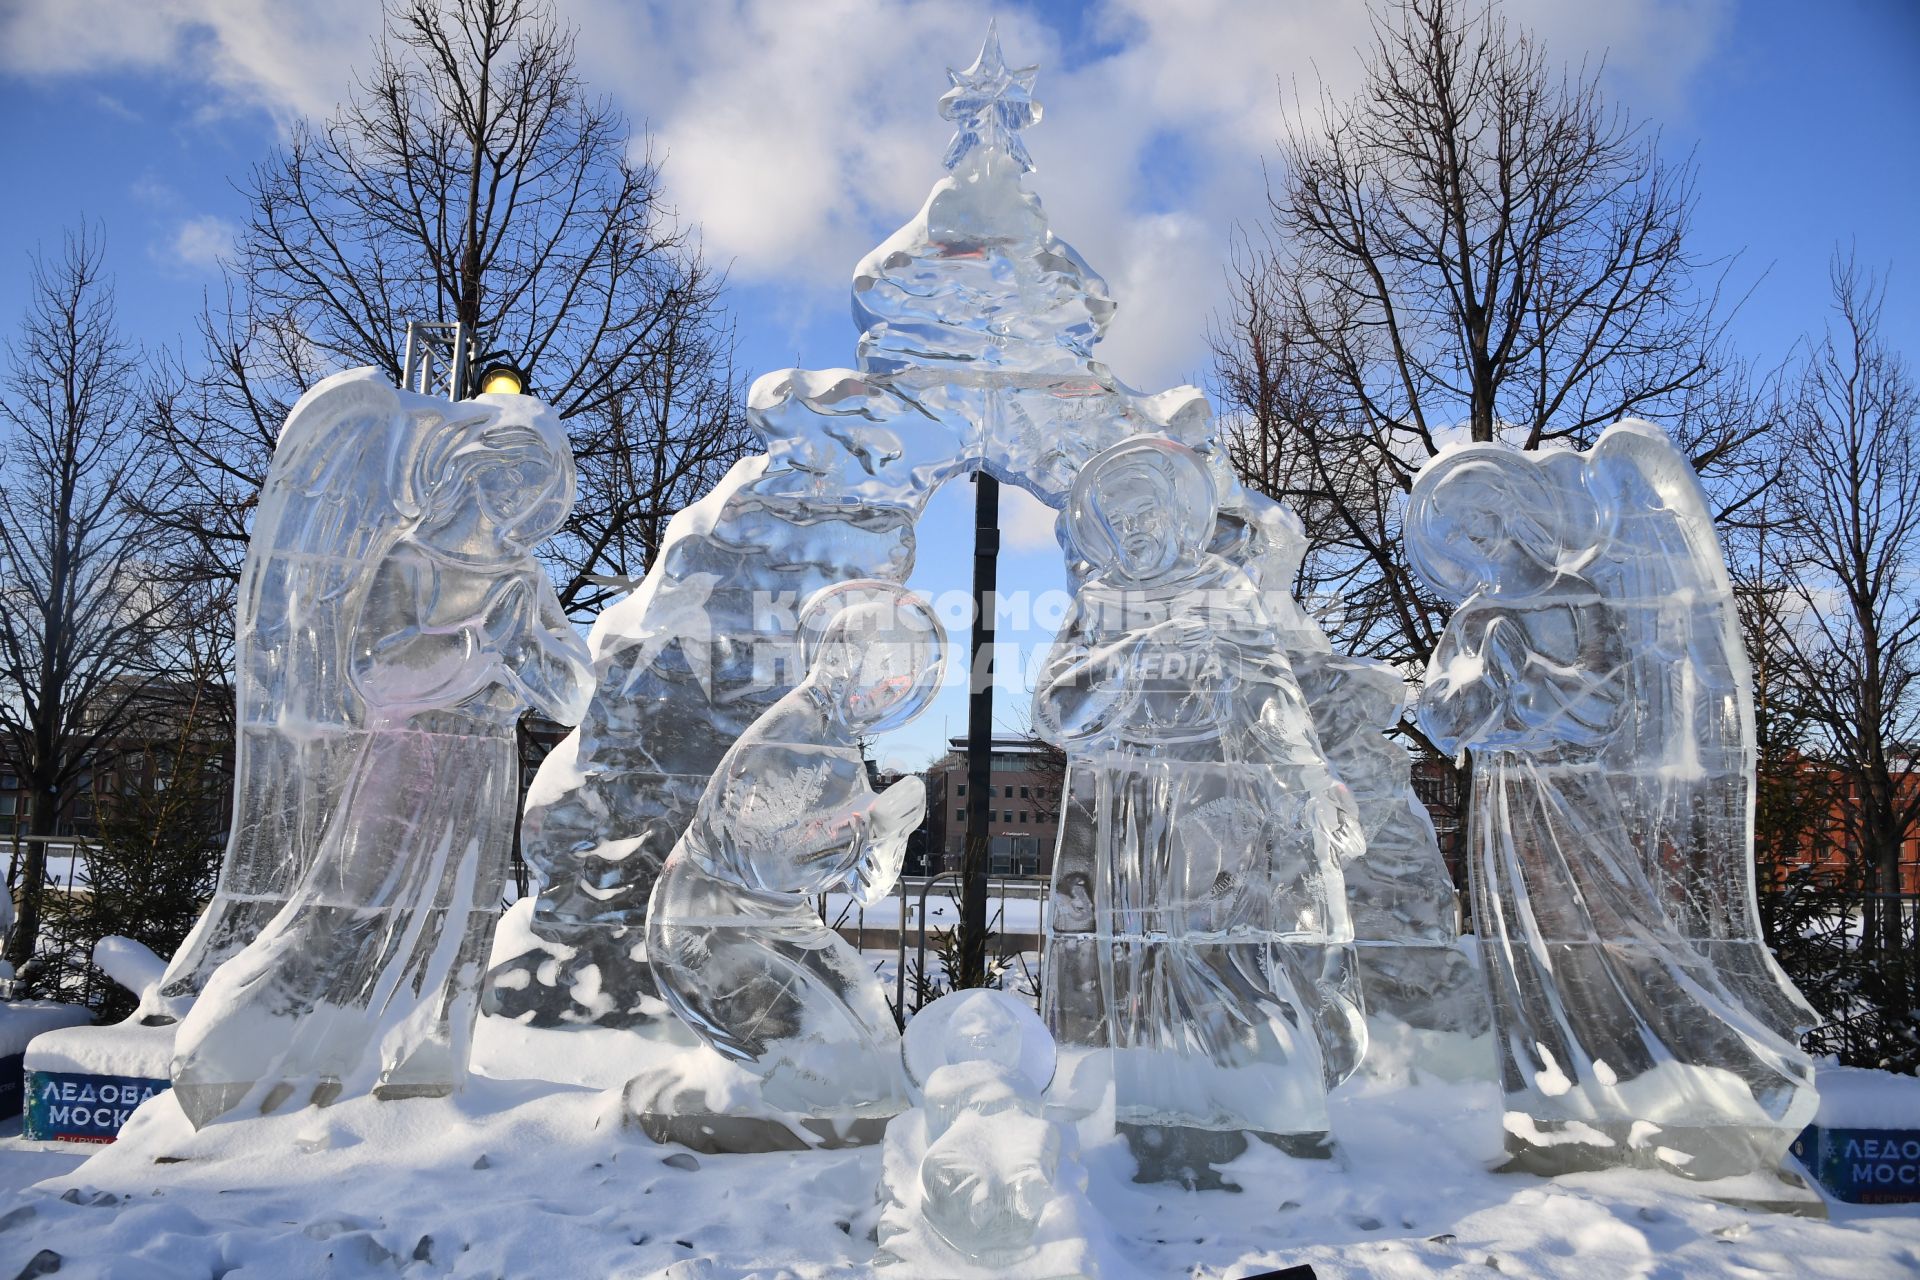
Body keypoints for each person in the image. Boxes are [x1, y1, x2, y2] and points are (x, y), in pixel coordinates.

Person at [171, 409, 592, 1127]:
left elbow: (577, 693)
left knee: (459, 920)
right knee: (350, 904)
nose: (514, 500)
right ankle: (235, 1055)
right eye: (507, 478)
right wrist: (483, 648)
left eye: (531, 490)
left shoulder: (523, 578)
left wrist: (529, 651)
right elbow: (374, 671)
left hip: (482, 765)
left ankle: (422, 1069)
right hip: (404, 758)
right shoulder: (410, 558)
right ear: (471, 471)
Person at [1034, 436, 1359, 1174]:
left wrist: (1312, 783)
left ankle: (1272, 1109)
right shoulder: (1100, 602)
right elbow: (1056, 708)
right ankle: (1160, 1118)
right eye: (1120, 518)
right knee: (1140, 967)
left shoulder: (1224, 587)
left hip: (1217, 795)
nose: (1136, 529)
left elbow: (1274, 697)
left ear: (1179, 516)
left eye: (1148, 510)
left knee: (1234, 953)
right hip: (1124, 807)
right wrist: (1144, 648)